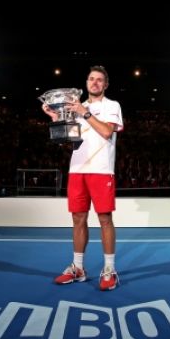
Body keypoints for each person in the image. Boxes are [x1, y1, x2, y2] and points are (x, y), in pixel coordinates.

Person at [42, 65, 124, 291]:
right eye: (91, 79)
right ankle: (78, 268)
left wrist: (84, 113)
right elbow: (71, 140)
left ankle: (109, 270)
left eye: (99, 80)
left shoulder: (111, 105)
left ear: (105, 84)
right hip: (77, 169)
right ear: (86, 83)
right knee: (78, 218)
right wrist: (57, 118)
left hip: (101, 169)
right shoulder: (77, 107)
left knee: (104, 219)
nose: (95, 83)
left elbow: (107, 132)